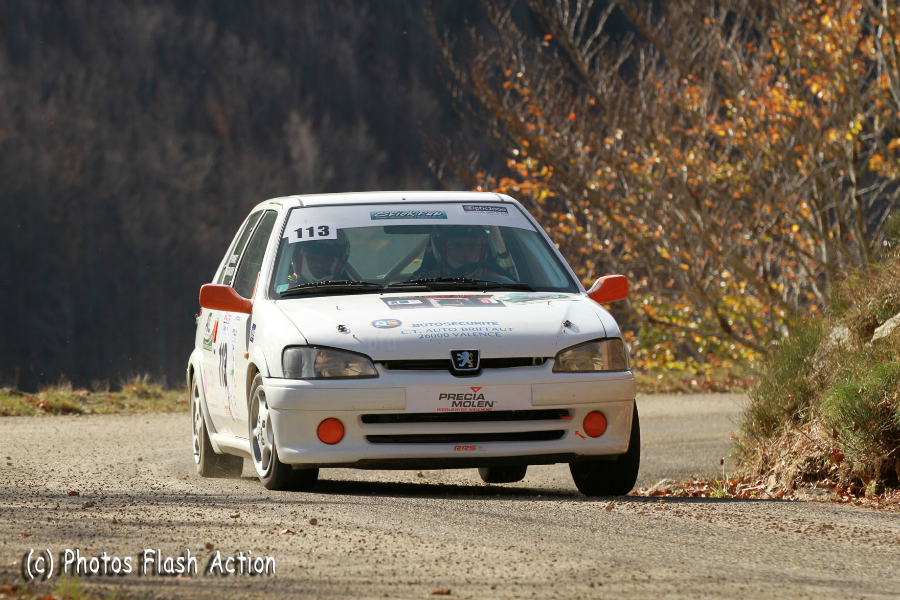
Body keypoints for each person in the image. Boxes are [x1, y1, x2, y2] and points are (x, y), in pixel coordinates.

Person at [412, 225, 508, 279]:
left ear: (482, 249)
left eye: (472, 246)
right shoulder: (426, 279)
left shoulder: (497, 280)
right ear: (442, 249)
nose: (466, 253)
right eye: (457, 246)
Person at [287, 230, 351, 285]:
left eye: (327, 259)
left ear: (338, 264)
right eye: (313, 257)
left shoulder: (350, 289)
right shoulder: (283, 281)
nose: (319, 264)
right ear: (298, 259)